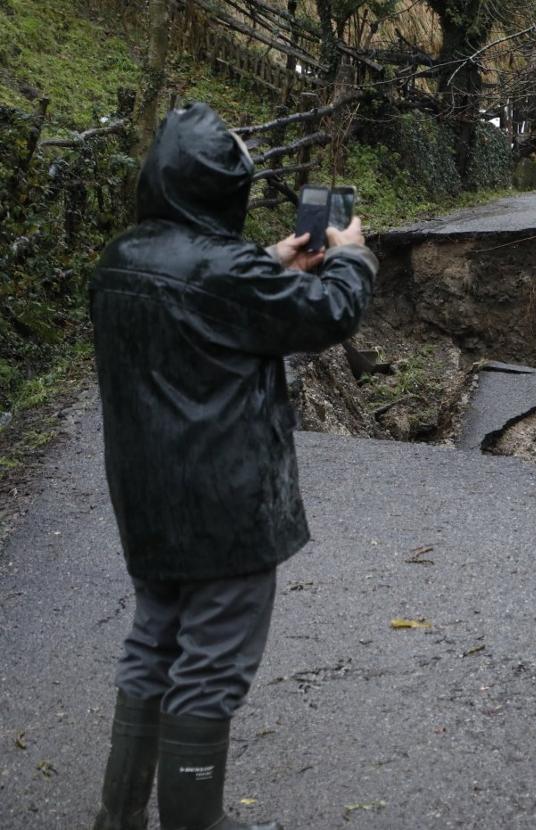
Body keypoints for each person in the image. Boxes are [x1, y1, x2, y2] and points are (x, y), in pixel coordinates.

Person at [88, 102, 376, 830]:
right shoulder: (228, 272)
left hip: (149, 502)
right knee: (211, 666)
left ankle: (117, 815)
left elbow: (202, 305)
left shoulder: (118, 260)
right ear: (222, 192)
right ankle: (195, 821)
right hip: (225, 506)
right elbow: (329, 313)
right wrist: (352, 255)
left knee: (153, 642)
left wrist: (273, 262)